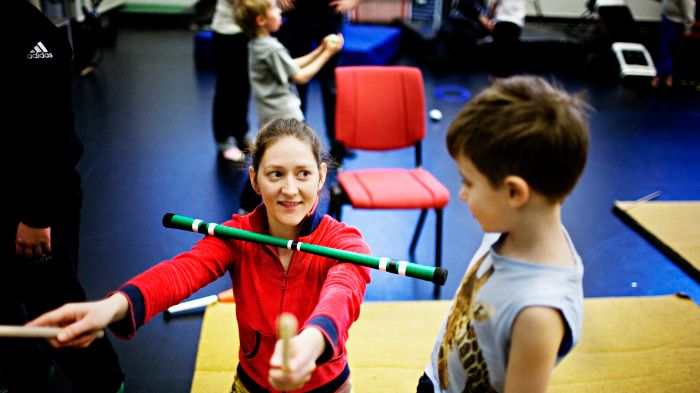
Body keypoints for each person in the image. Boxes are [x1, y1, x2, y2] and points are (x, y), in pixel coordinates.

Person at [28, 117, 372, 393]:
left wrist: (311, 344)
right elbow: (181, 272)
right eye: (275, 174)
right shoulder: (234, 236)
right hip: (253, 384)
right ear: (254, 180)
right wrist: (110, 307)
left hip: (327, 386)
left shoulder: (346, 244)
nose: (289, 189)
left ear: (321, 176)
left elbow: (341, 296)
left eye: (303, 174)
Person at [417, 76, 590, 393]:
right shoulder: (510, 227)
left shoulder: (538, 313)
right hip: (437, 379)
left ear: (514, 192)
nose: (462, 194)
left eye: (468, 182)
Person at [1, 0, 125, 392]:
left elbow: (52, 139)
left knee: (53, 301)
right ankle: (27, 370)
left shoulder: (37, 38)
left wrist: (37, 218)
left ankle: (105, 383)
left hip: (39, 203)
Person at [234, 0, 344, 213]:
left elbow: (291, 65)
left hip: (271, 115)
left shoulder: (260, 44)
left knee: (267, 157)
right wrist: (328, 54)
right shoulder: (271, 47)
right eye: (275, 9)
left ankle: (246, 207)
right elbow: (300, 76)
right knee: (301, 159)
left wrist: (320, 49)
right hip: (286, 116)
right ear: (261, 20)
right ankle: (303, 207)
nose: (280, 13)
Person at [276, 0, 359, 161]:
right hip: (297, 12)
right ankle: (295, 140)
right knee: (295, 81)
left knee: (332, 84)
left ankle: (337, 142)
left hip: (330, 12)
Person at [211, 0, 251, 162]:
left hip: (248, 31)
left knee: (243, 86)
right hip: (227, 32)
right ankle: (224, 140)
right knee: (226, 87)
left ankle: (241, 133)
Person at [651, 0, 695, 88]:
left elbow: (689, 7)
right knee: (664, 49)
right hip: (666, 18)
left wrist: (688, 27)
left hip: (676, 23)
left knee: (666, 50)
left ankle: (663, 76)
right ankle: (665, 76)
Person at [490, 0, 528, 78]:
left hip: (501, 21)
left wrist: (491, 17)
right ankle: (507, 78)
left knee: (499, 52)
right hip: (515, 23)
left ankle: (496, 77)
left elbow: (493, 5)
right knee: (510, 53)